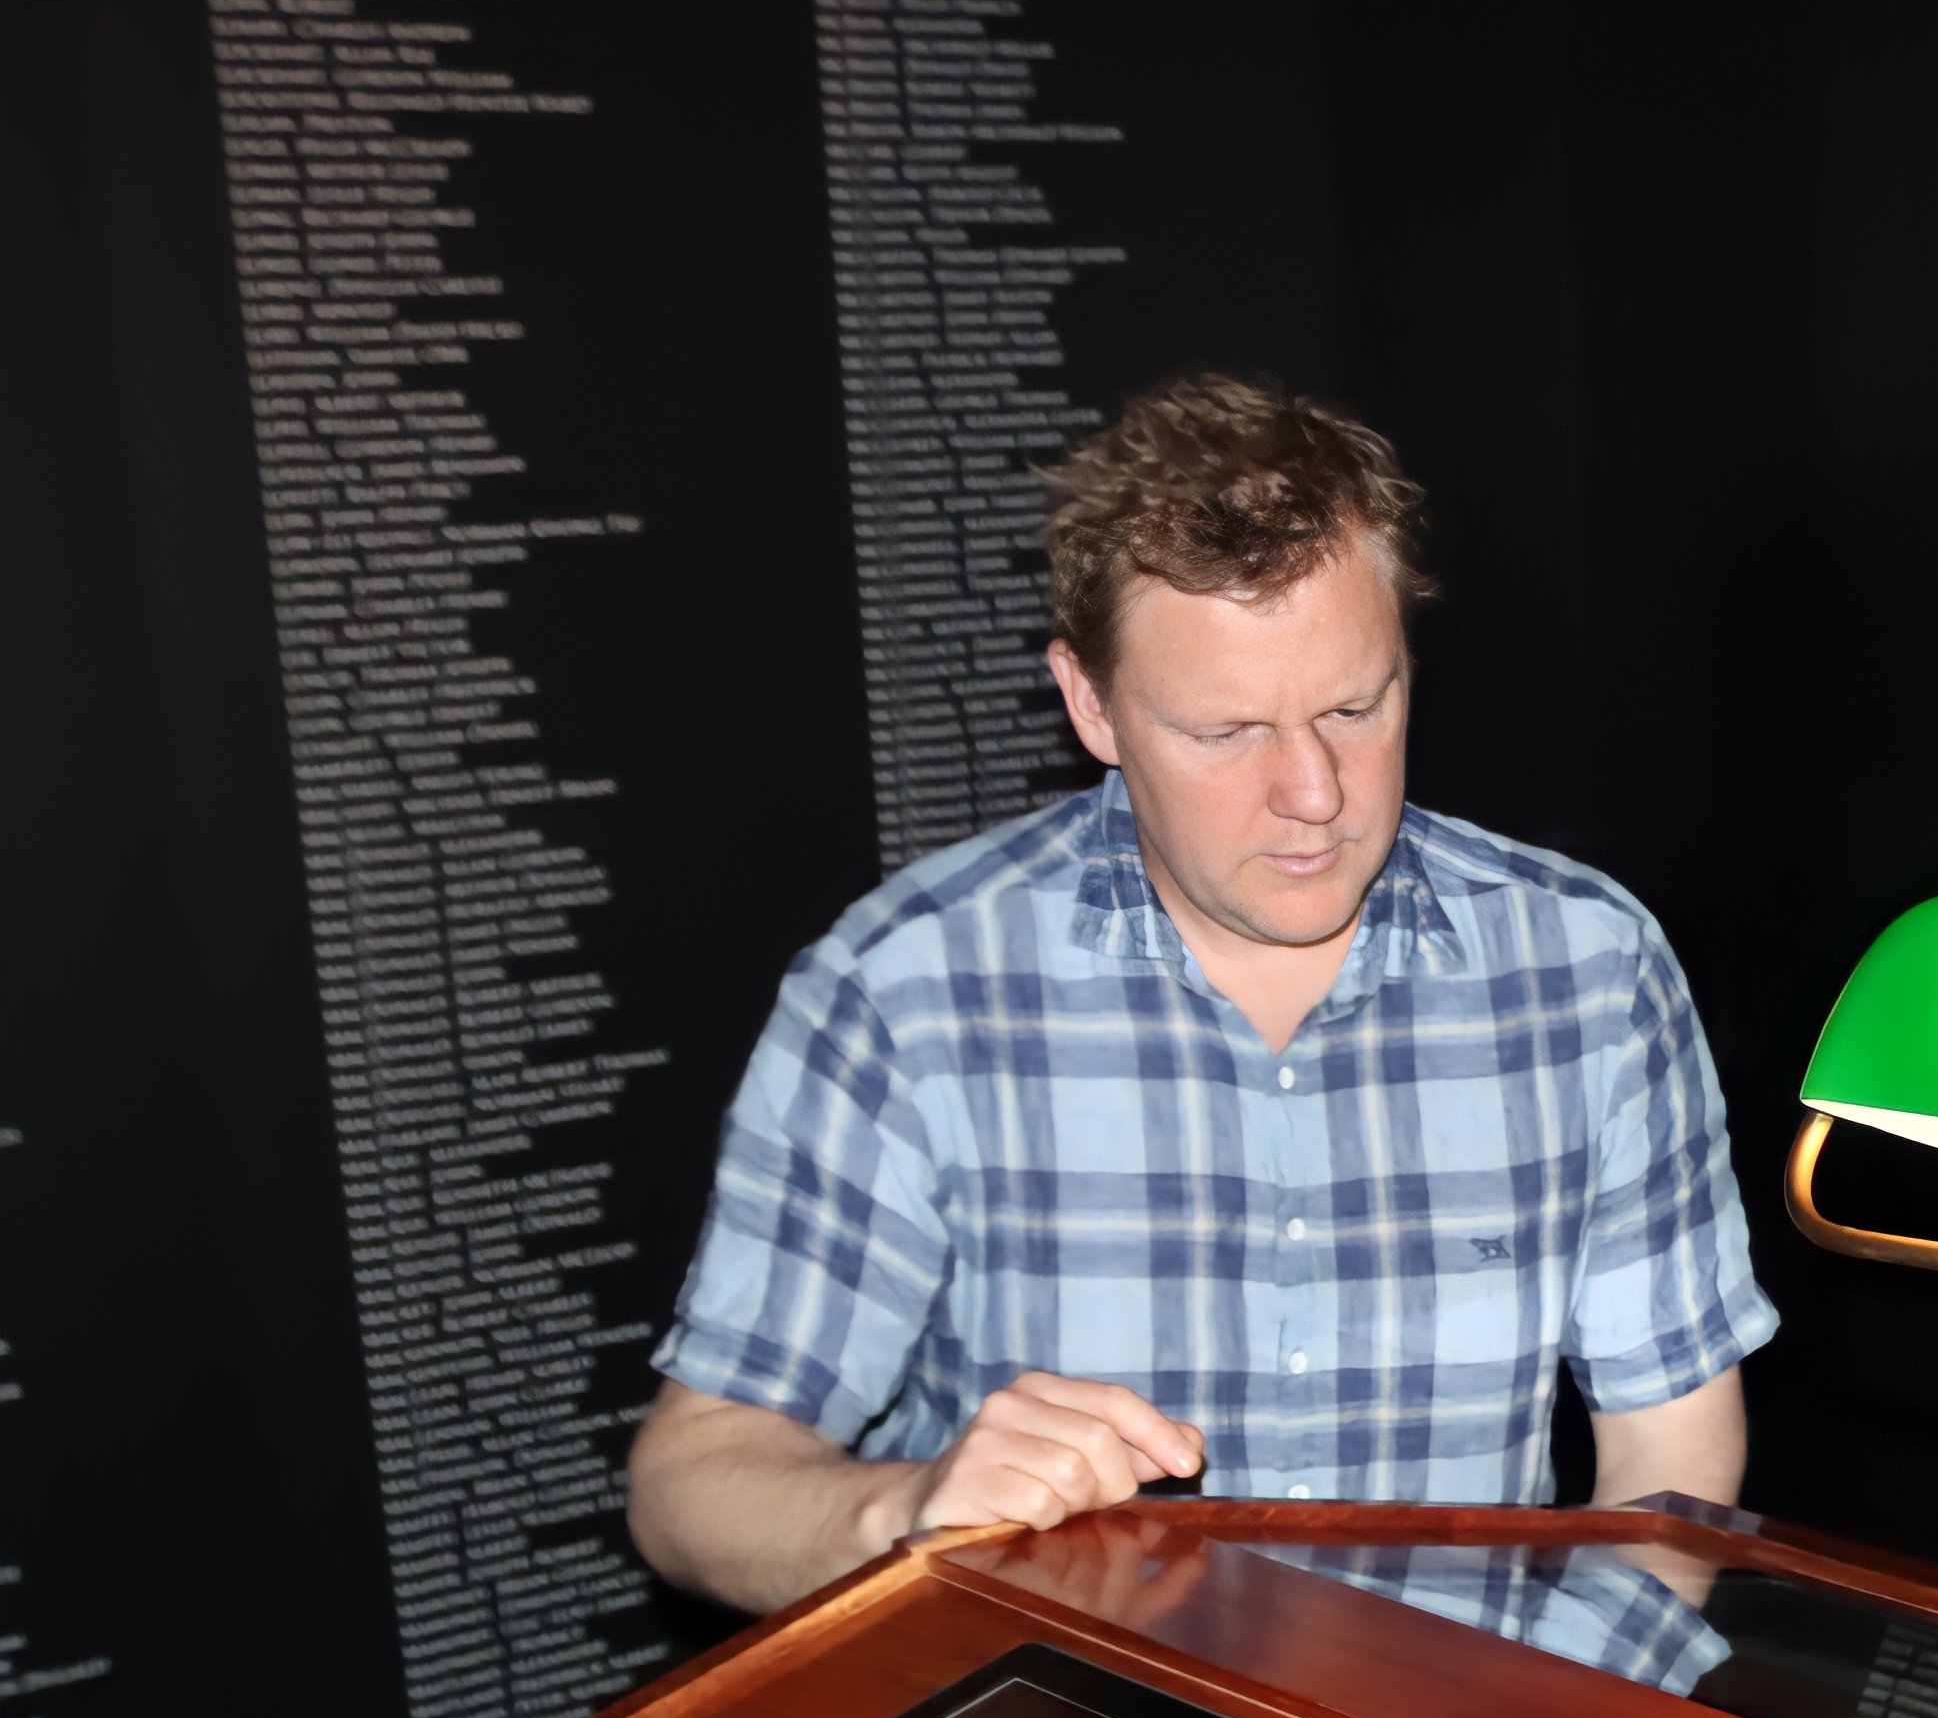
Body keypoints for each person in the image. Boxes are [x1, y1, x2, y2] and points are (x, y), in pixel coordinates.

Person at [627, 373, 1773, 1614]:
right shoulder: (912, 990)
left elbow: (1671, 1459)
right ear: (1090, 703)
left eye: (1356, 704)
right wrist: (904, 1511)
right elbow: (691, 1489)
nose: (1315, 793)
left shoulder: (1585, 970)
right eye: (1226, 733)